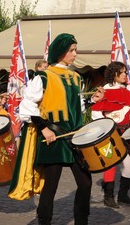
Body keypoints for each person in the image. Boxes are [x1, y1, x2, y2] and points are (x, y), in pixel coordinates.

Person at [17, 33, 101, 225]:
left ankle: (82, 221)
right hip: (53, 136)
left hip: (74, 137)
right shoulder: (44, 76)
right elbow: (26, 105)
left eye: (75, 49)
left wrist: (91, 101)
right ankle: (44, 222)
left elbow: (74, 107)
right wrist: (43, 129)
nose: (75, 53)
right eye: (71, 50)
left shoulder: (75, 77)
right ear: (61, 52)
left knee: (85, 183)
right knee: (51, 186)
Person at [91, 61, 130, 208]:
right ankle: (108, 197)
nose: (124, 74)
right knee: (110, 163)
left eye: (125, 72)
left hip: (123, 133)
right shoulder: (104, 91)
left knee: (128, 165)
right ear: (113, 73)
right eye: (121, 72)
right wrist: (105, 128)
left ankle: (123, 196)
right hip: (109, 134)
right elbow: (96, 113)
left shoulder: (128, 93)